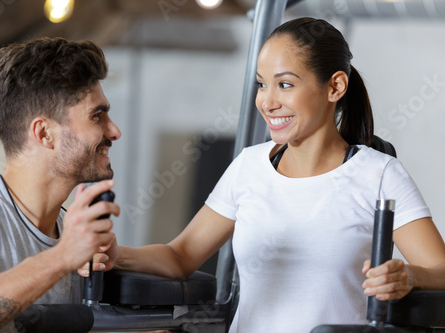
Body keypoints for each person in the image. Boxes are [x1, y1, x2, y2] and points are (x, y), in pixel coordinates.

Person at [111, 17, 445, 332]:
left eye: (284, 84)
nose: (267, 102)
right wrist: (115, 254)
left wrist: (410, 276)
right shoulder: (248, 166)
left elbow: (440, 270)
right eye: (261, 84)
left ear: (335, 87)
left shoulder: (380, 174)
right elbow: (179, 256)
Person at [0, 37, 121, 332]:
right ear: (44, 133)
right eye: (97, 116)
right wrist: (62, 257)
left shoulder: (72, 233)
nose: (113, 131)